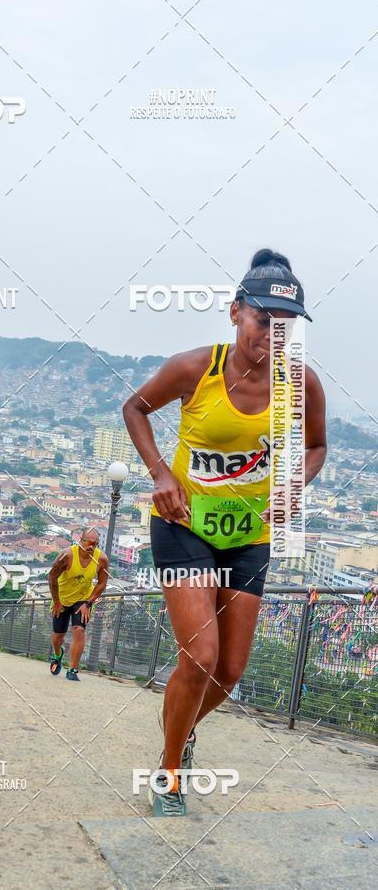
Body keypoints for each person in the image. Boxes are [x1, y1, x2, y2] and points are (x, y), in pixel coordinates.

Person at [123, 249, 326, 816]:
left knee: (231, 670)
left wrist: (294, 488)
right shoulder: (195, 368)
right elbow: (134, 408)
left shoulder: (301, 381)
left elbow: (316, 446)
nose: (274, 335)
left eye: (286, 326)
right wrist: (161, 473)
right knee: (202, 655)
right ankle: (168, 774)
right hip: (185, 526)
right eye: (265, 321)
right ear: (236, 313)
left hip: (248, 534)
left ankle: (180, 730)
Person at [47, 527, 109, 681]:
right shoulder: (66, 555)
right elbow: (52, 577)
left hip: (82, 599)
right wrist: (56, 602)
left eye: (95, 544)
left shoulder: (101, 559)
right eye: (89, 543)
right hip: (61, 598)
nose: (91, 547)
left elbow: (101, 584)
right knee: (58, 635)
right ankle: (57, 654)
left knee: (79, 630)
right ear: (80, 541)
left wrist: (88, 604)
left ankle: (73, 669)